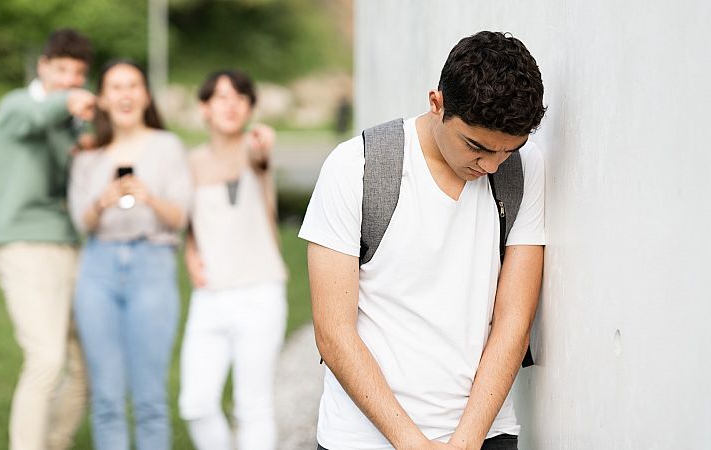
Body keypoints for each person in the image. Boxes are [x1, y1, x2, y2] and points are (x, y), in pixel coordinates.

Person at [299, 31, 547, 450]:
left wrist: (468, 440)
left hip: (485, 432)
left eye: (508, 150)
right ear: (437, 104)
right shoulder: (355, 167)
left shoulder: (524, 169)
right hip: (364, 438)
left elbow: (513, 322)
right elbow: (333, 331)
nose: (490, 165)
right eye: (476, 147)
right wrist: (412, 443)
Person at [67, 60, 191, 450]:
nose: (125, 94)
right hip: (98, 269)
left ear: (146, 95)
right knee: (106, 398)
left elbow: (180, 217)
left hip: (151, 264)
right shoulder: (88, 154)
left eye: (133, 85)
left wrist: (149, 196)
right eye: (115, 87)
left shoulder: (167, 146)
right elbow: (80, 222)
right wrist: (102, 201)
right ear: (102, 99)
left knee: (150, 398)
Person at [0, 28, 95, 450]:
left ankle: (53, 441)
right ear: (43, 66)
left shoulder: (70, 122)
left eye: (78, 73)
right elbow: (36, 117)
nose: (69, 80)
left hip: (69, 246)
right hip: (24, 247)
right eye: (62, 69)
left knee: (84, 367)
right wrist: (68, 104)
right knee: (46, 361)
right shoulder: (17, 105)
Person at [178, 70, 287, 450]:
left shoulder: (255, 148)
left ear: (250, 109)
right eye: (221, 97)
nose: (231, 104)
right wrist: (190, 253)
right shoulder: (190, 162)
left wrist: (262, 147)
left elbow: (261, 157)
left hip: (259, 291)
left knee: (252, 406)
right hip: (209, 295)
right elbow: (189, 221)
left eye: (240, 96)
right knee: (195, 404)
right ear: (204, 108)